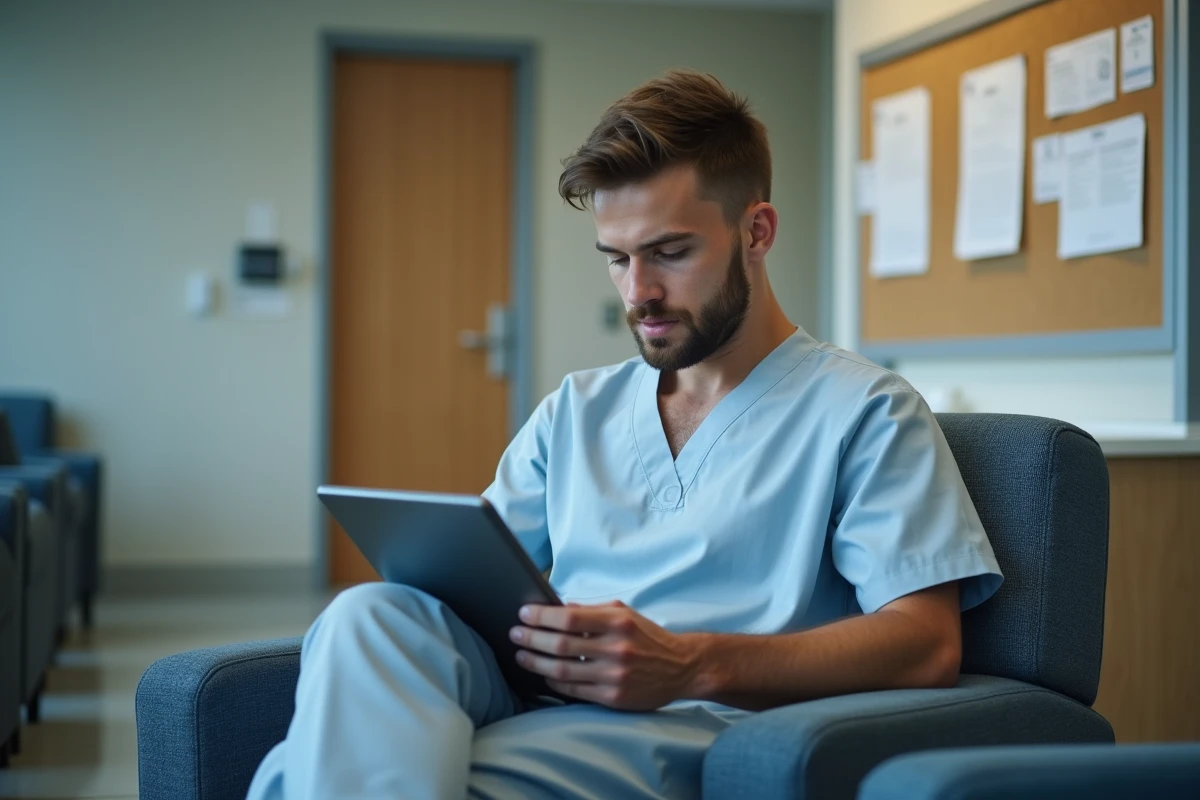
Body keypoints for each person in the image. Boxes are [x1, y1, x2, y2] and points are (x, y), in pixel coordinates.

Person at [246, 69, 1003, 800]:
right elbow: (467, 593)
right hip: (541, 693)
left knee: (299, 780)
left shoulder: (865, 410)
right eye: (617, 259)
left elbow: (927, 643)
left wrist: (689, 664)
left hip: (692, 723)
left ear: (757, 232)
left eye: (670, 253)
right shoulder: (578, 409)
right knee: (367, 613)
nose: (638, 292)